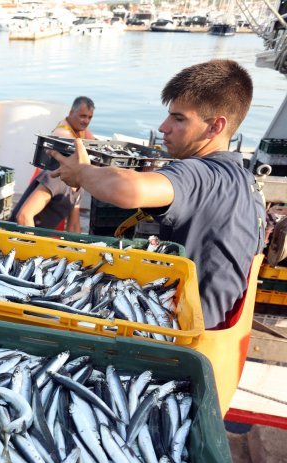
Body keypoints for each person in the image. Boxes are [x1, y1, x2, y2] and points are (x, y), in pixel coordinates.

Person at [49, 59, 265, 330]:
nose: (163, 127)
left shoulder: (200, 174)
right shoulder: (246, 181)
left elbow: (126, 190)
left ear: (215, 127)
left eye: (178, 118)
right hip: (219, 333)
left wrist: (81, 172)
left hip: (189, 338)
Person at [12, 96, 96, 231]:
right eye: (82, 116)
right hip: (23, 236)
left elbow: (74, 226)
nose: (86, 121)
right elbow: (24, 216)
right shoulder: (62, 134)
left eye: (89, 117)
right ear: (71, 113)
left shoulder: (79, 182)